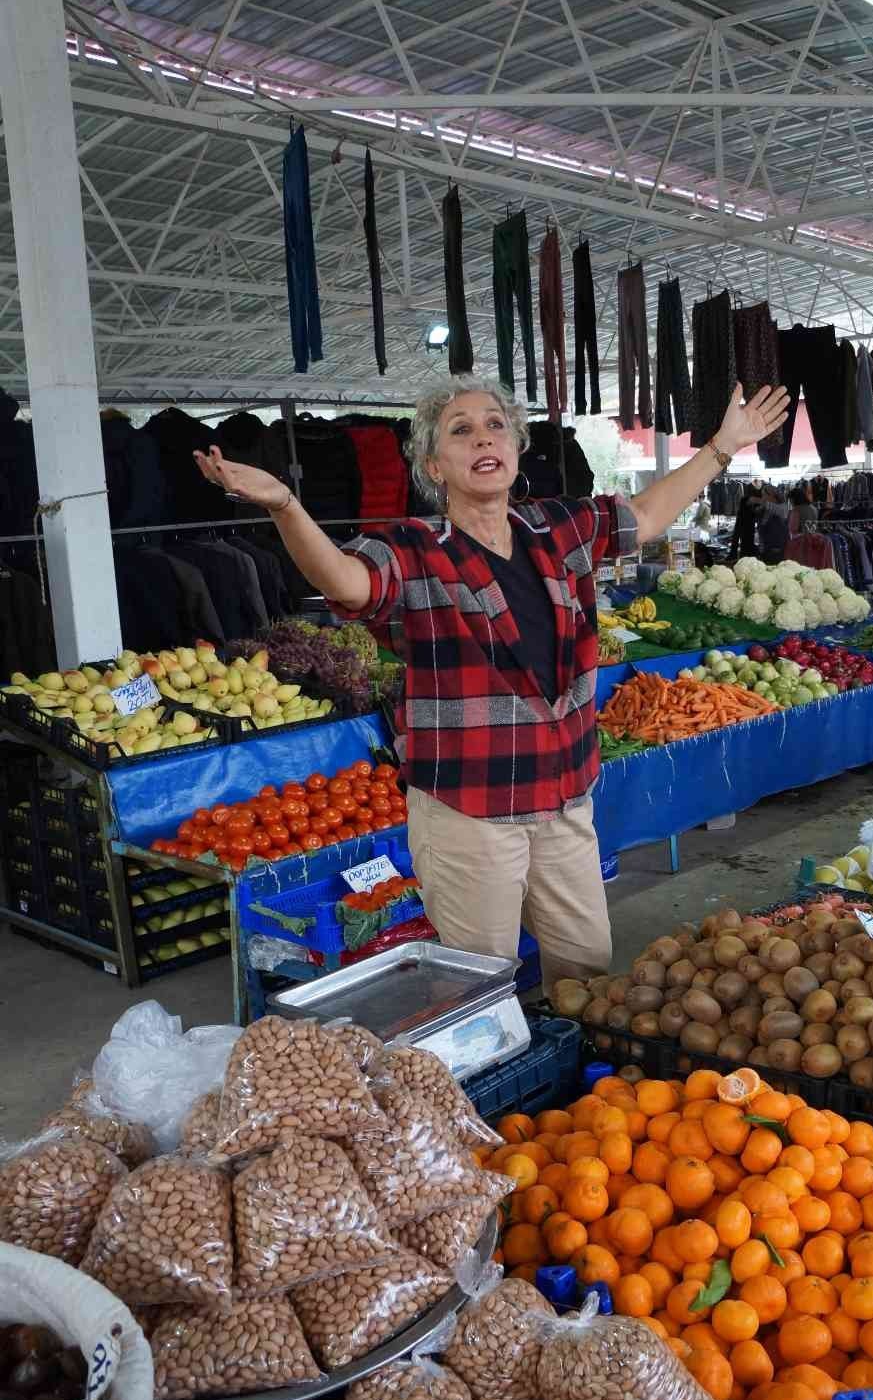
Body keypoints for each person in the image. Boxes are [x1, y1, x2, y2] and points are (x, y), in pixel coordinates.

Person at [193, 374, 788, 991]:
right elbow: (348, 583)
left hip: (564, 799)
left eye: (496, 425)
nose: (484, 437)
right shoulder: (413, 548)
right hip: (469, 810)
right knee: (481, 982)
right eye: (461, 430)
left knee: (587, 967)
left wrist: (721, 448)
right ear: (434, 464)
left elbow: (644, 515)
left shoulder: (556, 530)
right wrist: (287, 507)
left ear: (516, 446)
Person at [730, 483, 763, 561]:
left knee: (741, 542)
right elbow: (754, 512)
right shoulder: (750, 500)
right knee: (745, 544)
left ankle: (735, 555)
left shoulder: (745, 499)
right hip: (746, 525)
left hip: (744, 524)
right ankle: (738, 556)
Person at [758, 488, 791, 564]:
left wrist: (757, 500)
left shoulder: (781, 508)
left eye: (764, 495)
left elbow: (772, 507)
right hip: (766, 549)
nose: (762, 497)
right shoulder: (767, 509)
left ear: (771, 496)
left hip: (776, 549)